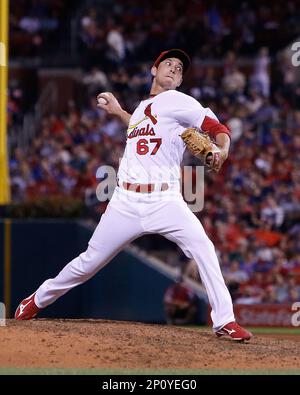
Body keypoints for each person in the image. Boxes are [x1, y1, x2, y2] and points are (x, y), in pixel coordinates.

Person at [15, 49, 253, 341]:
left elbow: (216, 127)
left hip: (165, 201)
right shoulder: (143, 108)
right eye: (169, 64)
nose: (175, 70)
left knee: (203, 248)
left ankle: (224, 321)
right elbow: (142, 126)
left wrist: (223, 149)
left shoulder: (180, 101)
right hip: (125, 202)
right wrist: (119, 112)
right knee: (88, 262)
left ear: (179, 81)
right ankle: (36, 300)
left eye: (179, 69)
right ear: (154, 70)